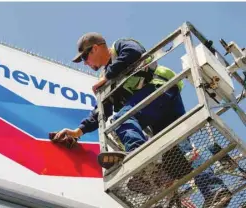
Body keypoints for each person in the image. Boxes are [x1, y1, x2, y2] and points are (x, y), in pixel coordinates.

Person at [52, 32, 232, 207]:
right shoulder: (108, 81)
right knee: (179, 154)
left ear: (96, 48)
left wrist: (107, 77)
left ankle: (141, 161)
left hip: (160, 89)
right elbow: (101, 111)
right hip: (158, 107)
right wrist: (78, 131)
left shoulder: (120, 47)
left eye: (85, 57)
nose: (85, 63)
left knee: (121, 120)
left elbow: (135, 52)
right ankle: (216, 191)